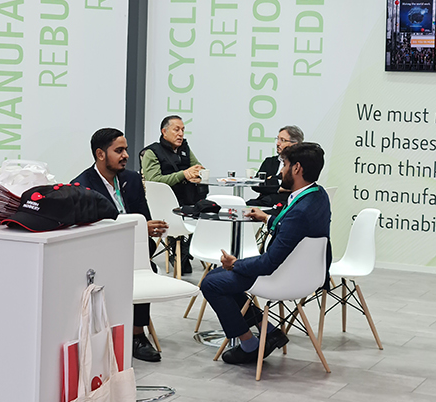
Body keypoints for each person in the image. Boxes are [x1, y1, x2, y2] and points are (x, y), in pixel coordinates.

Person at [200, 141, 331, 365]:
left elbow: (268, 264)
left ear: (297, 168)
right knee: (218, 277)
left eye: (285, 165)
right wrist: (268, 218)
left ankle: (250, 345)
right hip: (307, 274)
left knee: (211, 283)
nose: (281, 171)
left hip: (282, 277)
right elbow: (294, 230)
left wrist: (236, 264)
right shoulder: (318, 196)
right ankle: (268, 330)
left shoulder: (299, 211)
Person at [71, 128, 168, 363]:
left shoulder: (131, 179)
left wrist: (148, 228)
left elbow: (143, 217)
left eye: (125, 150)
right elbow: (89, 231)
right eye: (119, 150)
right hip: (101, 251)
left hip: (134, 248)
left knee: (145, 266)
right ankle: (127, 333)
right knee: (134, 269)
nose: (126, 155)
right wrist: (137, 228)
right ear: (100, 154)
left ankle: (137, 334)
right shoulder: (81, 186)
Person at [141, 115, 208, 270]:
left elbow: (198, 167)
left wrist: (198, 174)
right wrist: (183, 174)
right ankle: (181, 251)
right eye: (176, 130)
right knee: (184, 268)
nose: (180, 134)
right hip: (166, 206)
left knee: (210, 210)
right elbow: (154, 180)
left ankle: (185, 251)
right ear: (164, 132)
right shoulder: (151, 152)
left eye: (183, 130)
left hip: (189, 201)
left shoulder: (185, 148)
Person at [249, 125, 302, 208]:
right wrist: (279, 188)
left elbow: (295, 188)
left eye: (283, 140)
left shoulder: (299, 165)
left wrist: (271, 181)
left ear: (294, 144)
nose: (277, 143)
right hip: (263, 202)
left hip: (284, 205)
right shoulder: (269, 161)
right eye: (277, 139)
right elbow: (256, 185)